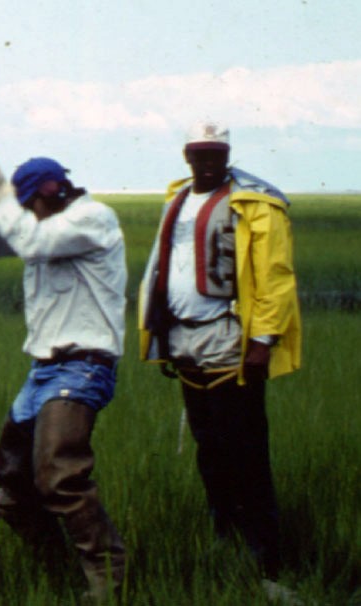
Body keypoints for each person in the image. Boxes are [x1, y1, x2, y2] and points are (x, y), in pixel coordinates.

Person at [0, 149, 127, 601]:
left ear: (53, 191)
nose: (26, 214)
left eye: (31, 204)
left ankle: (108, 583)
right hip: (42, 372)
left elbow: (32, 242)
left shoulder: (92, 219)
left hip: (82, 366)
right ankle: (60, 577)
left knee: (60, 476)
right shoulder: (44, 224)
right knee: (13, 490)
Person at [138, 121, 301, 595]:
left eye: (216, 153)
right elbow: (161, 269)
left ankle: (268, 565)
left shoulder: (255, 201)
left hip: (229, 340)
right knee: (210, 453)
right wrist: (162, 338)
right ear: (187, 154)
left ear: (226, 153)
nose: (207, 161)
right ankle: (225, 544)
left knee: (246, 453)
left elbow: (274, 275)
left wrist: (262, 342)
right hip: (184, 341)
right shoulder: (175, 200)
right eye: (199, 153)